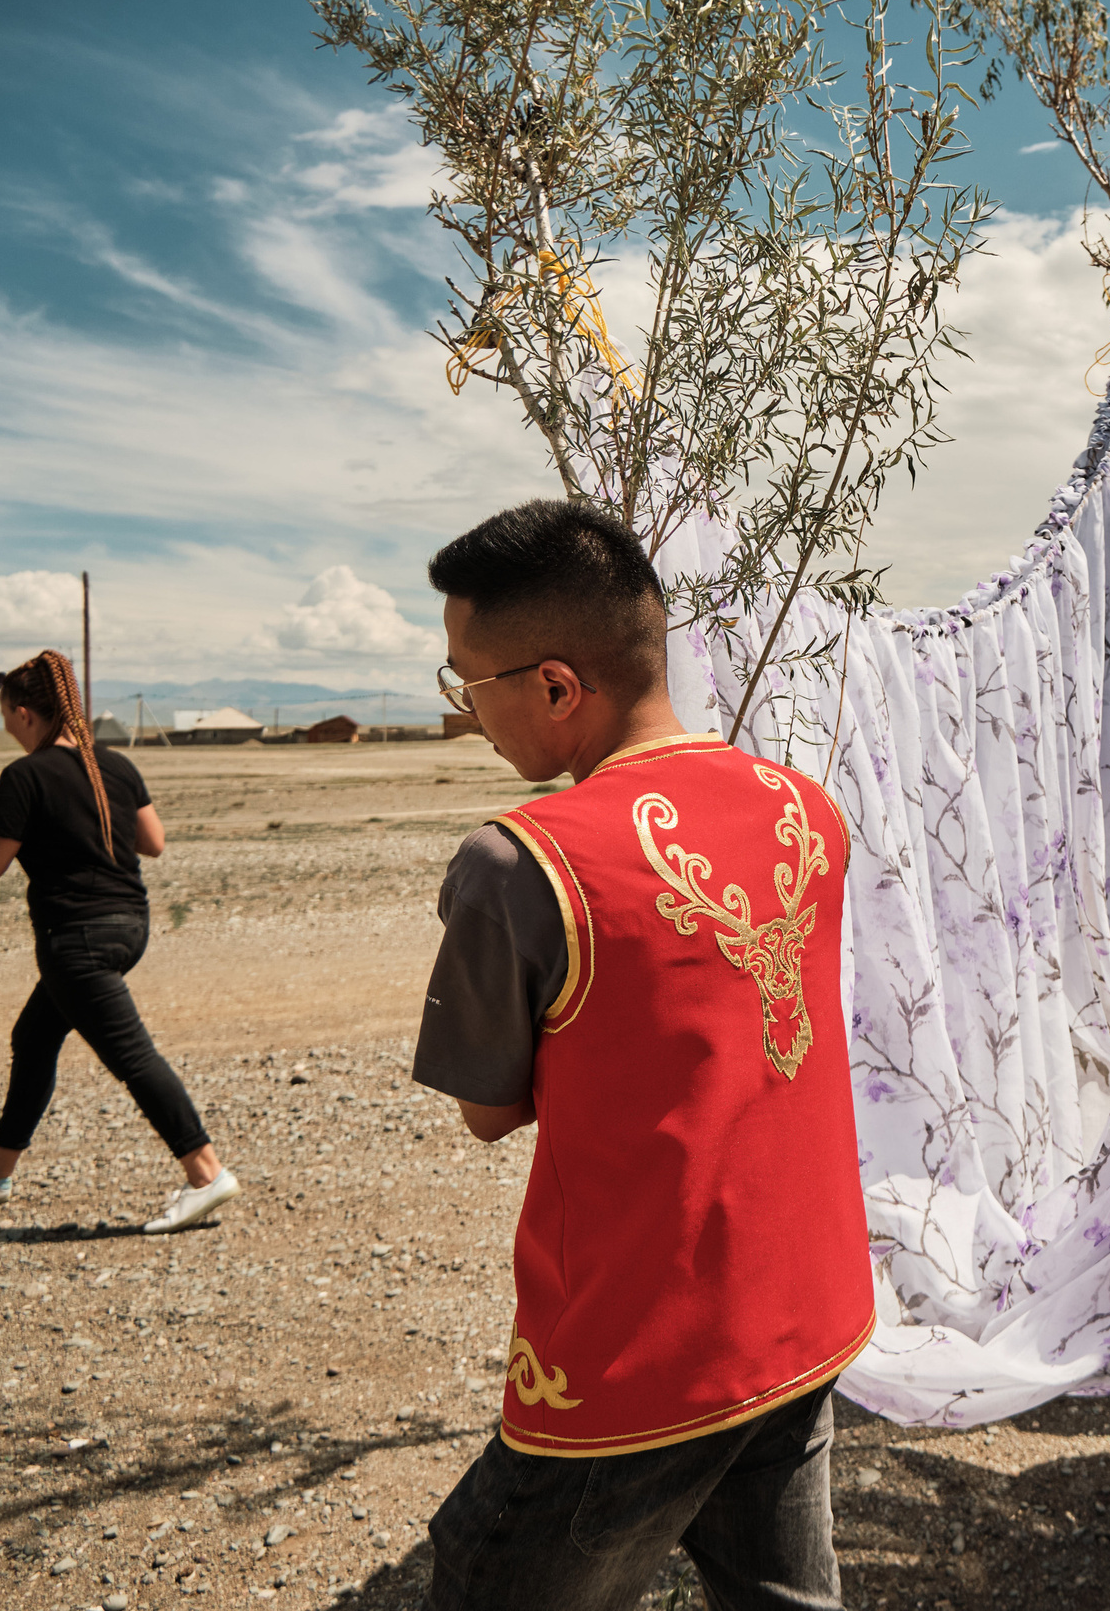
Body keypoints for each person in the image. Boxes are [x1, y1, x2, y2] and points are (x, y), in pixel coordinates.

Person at [410, 499, 873, 1611]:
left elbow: (488, 1110)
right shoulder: (801, 806)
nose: (469, 715)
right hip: (802, 1302)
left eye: (466, 684)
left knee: (491, 1579)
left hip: (635, 1347)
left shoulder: (520, 862)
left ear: (557, 687)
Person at [0, 649, 237, 1234]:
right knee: (33, 1036)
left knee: (131, 1057)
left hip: (75, 940)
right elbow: (153, 843)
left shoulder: (24, 776)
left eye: (4, 712)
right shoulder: (115, 765)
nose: (3, 725)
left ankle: (206, 1173)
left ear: (25, 712)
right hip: (129, 927)